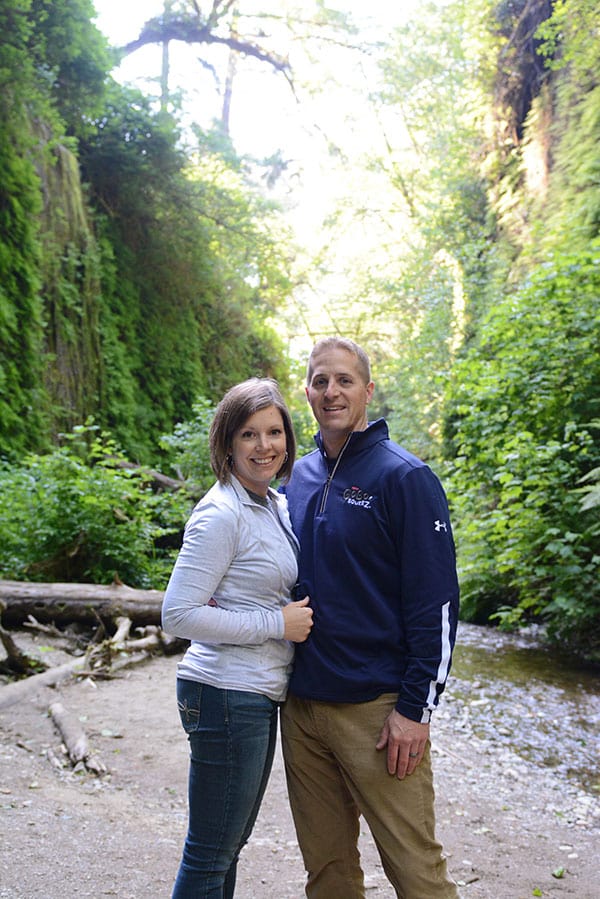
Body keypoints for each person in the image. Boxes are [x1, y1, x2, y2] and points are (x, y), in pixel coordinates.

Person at [280, 337, 460, 898]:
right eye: (319, 381)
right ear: (307, 391)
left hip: (380, 716)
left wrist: (415, 709)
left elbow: (438, 605)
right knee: (328, 873)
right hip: (302, 709)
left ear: (367, 390)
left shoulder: (404, 477)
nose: (330, 391)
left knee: (416, 873)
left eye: (344, 380)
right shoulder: (298, 477)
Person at [161, 377, 313, 899]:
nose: (264, 446)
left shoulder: (270, 502)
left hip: (252, 692)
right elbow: (177, 614)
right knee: (209, 854)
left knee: (228, 846)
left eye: (275, 432)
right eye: (249, 434)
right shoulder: (221, 513)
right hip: (226, 693)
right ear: (227, 441)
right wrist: (278, 624)